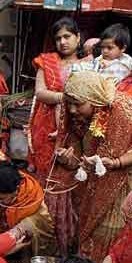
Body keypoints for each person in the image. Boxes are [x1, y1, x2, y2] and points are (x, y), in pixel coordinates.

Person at [50, 70, 132, 263]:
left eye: (78, 104)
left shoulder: (121, 109)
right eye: (69, 103)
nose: (72, 110)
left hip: (125, 177)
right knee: (88, 229)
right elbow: (80, 159)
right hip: (94, 179)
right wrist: (69, 160)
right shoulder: (76, 115)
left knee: (109, 229)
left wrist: (115, 163)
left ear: (95, 99)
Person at [27, 18, 83, 182]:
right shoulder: (47, 61)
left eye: (67, 36)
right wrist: (65, 98)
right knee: (46, 171)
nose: (62, 42)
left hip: (75, 123)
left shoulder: (88, 63)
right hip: (46, 125)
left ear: (78, 37)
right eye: (58, 38)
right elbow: (40, 92)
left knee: (71, 166)